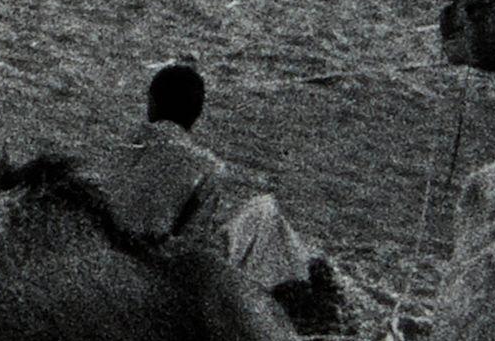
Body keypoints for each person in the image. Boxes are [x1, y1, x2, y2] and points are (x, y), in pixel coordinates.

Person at [61, 65, 332, 317]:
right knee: (264, 211)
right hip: (148, 278)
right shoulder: (205, 165)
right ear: (197, 114)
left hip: (95, 265)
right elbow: (191, 250)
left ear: (151, 103)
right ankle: (297, 303)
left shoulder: (115, 149)